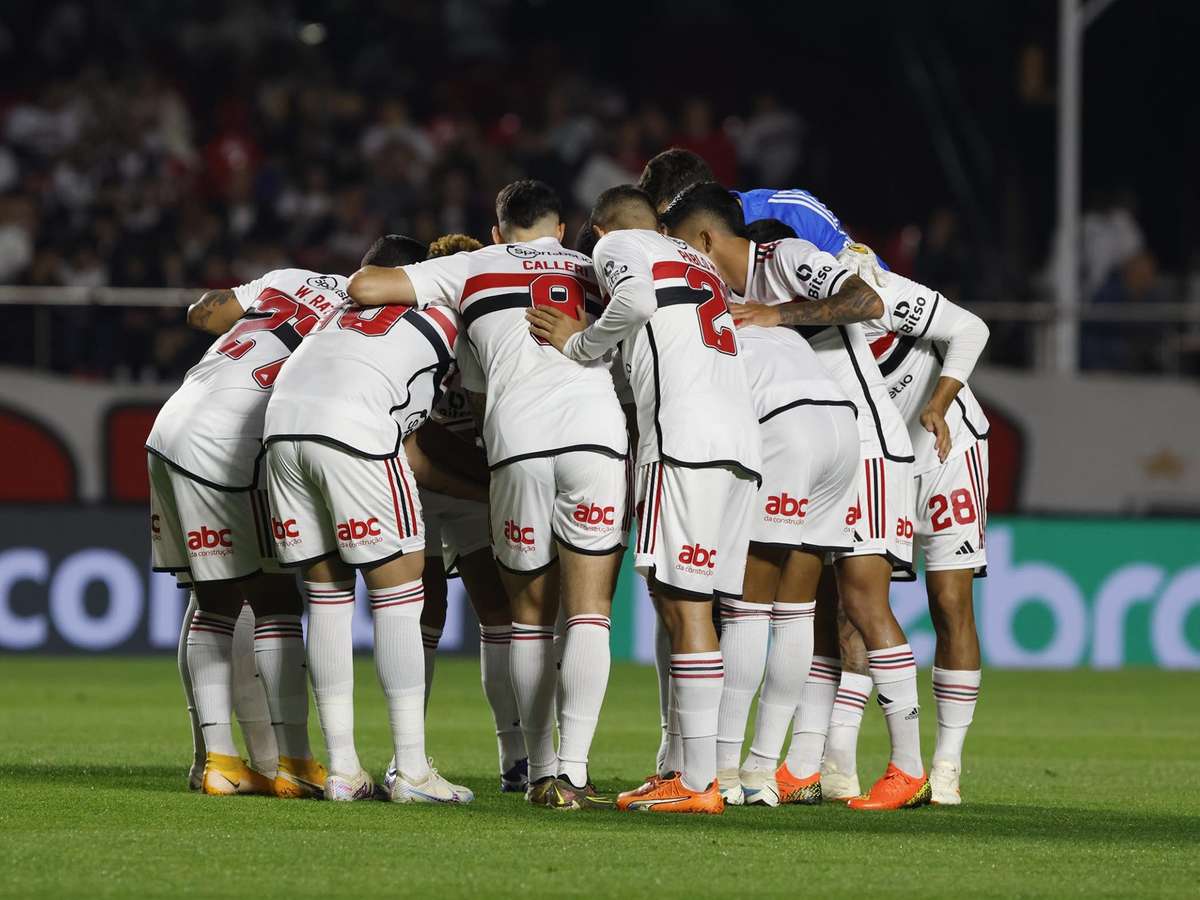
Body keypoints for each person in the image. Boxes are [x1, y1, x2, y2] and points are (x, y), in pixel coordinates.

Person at [347, 180, 629, 810]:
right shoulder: (595, 266)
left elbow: (366, 287)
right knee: (588, 612)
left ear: (498, 233)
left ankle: (537, 773)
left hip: (517, 442)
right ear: (562, 230)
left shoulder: (475, 264)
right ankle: (576, 773)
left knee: (523, 618)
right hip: (597, 436)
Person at [662, 183, 930, 811]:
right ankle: (779, 768)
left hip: (864, 442)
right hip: (833, 433)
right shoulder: (725, 295)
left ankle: (740, 769)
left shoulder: (780, 256)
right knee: (801, 610)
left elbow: (865, 297)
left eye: (680, 244)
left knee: (849, 605)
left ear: (703, 236)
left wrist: (776, 315)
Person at [527, 185, 761, 814]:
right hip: (738, 444)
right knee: (692, 605)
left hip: (684, 443)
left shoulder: (622, 245)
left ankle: (699, 783)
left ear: (600, 230)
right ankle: (690, 770)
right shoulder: (699, 261)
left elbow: (632, 299)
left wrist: (580, 343)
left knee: (683, 607)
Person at [263, 235, 480, 804]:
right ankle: (410, 770)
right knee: (400, 592)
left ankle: (341, 771)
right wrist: (489, 486)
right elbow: (413, 449)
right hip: (356, 436)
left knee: (327, 600)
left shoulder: (337, 310)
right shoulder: (446, 315)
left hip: (281, 433)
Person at [147, 265, 350, 797]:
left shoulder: (288, 278)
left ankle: (217, 761)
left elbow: (203, 313)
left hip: (171, 424)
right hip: (229, 438)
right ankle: (295, 764)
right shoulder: (371, 313)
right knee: (276, 598)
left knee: (214, 601)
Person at [842, 243, 991, 804]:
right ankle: (839, 760)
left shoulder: (884, 295)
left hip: (949, 449)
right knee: (855, 603)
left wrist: (940, 398)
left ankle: (947, 764)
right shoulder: (815, 328)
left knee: (950, 603)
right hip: (882, 461)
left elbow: (968, 330)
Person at [400, 233, 528, 795]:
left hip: (475, 481)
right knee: (427, 608)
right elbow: (420, 434)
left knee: (495, 612)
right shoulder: (417, 335)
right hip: (437, 482)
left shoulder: (483, 326)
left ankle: (515, 755)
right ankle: (412, 756)